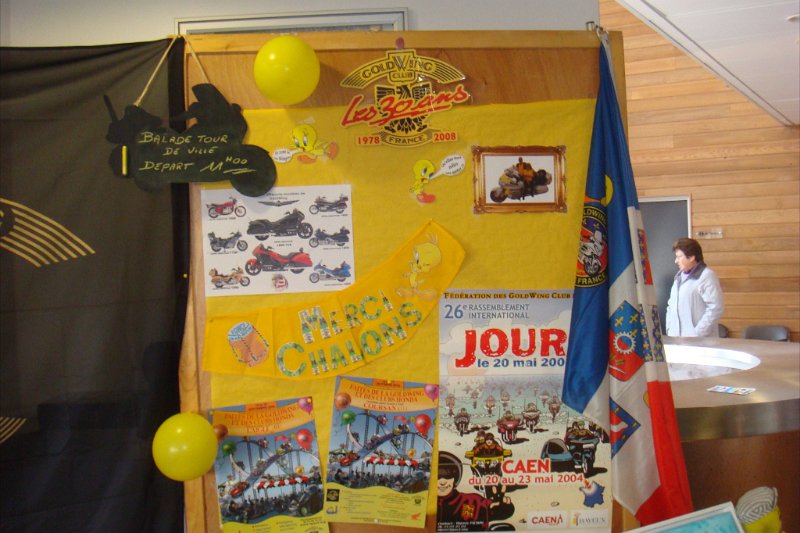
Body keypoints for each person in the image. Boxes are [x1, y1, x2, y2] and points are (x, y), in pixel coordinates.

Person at [665, 238, 724, 337]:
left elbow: (715, 308)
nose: (676, 261)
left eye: (679, 257)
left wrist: (697, 334)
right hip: (677, 340)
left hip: (699, 342)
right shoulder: (678, 278)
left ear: (691, 257)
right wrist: (670, 329)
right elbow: (671, 306)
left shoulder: (707, 276)